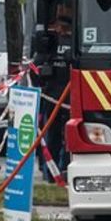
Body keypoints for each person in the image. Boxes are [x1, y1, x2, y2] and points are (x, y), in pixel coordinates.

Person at [38, 15, 72, 182]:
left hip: (52, 95)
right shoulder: (75, 43)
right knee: (69, 137)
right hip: (68, 96)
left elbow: (38, 66)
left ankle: (50, 173)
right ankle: (64, 170)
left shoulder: (48, 44)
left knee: (52, 137)